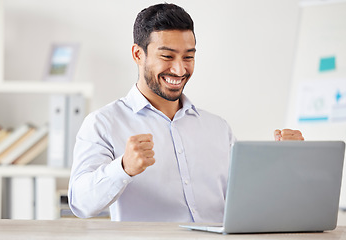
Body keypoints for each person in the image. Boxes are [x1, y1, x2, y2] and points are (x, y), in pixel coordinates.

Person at [68, 3, 304, 223]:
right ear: (138, 55)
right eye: (167, 56)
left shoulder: (218, 128)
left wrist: (284, 164)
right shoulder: (104, 124)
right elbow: (81, 204)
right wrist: (123, 168)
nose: (180, 69)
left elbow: (247, 204)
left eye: (188, 56)